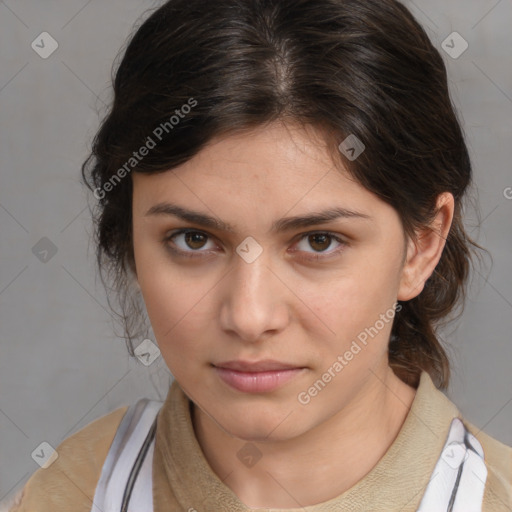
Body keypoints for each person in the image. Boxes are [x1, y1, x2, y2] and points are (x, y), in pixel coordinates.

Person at [8, 0, 512, 510]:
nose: (249, 317)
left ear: (421, 245)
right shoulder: (65, 493)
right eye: (194, 239)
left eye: (319, 241)